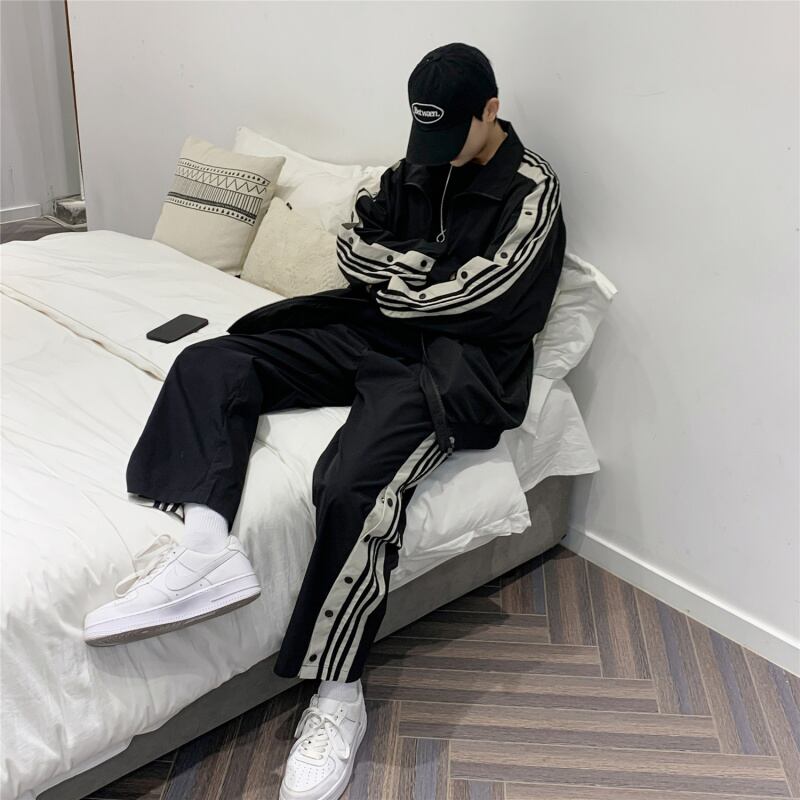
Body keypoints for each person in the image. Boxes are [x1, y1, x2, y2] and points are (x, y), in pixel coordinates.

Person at [83, 42, 566, 800]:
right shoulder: (417, 165)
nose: (434, 152)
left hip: (453, 366)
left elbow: (486, 295)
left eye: (451, 133)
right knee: (213, 361)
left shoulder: (532, 190)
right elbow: (353, 241)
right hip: (370, 331)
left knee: (350, 487)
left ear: (491, 111)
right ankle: (207, 546)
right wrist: (410, 267)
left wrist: (399, 276)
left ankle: (338, 696)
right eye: (425, 133)